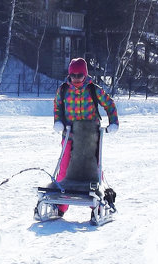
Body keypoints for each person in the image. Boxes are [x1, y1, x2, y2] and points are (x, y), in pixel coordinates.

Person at [51, 57, 119, 216]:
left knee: (94, 168)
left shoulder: (93, 89)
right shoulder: (63, 90)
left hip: (91, 134)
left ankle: (96, 204)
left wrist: (113, 122)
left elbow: (109, 104)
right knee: (64, 166)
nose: (76, 79)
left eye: (79, 75)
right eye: (73, 75)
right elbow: (57, 106)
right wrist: (58, 121)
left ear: (85, 74)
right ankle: (61, 206)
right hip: (70, 132)